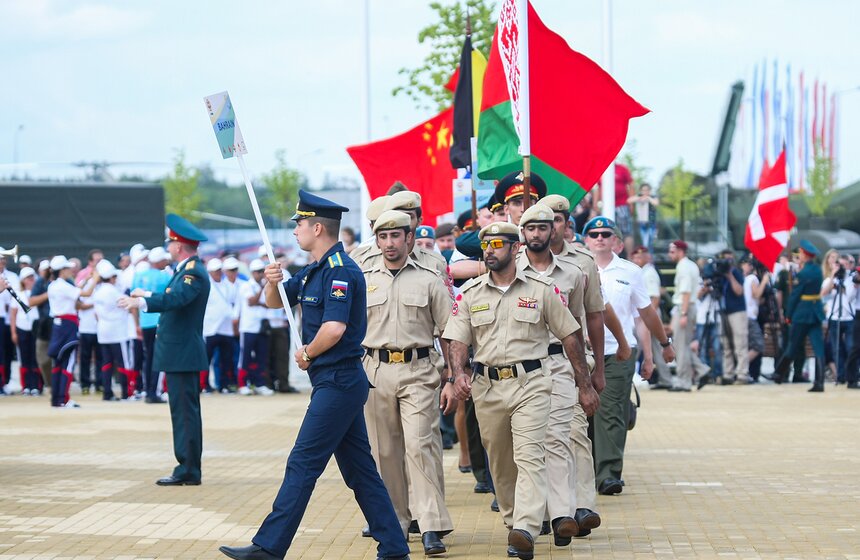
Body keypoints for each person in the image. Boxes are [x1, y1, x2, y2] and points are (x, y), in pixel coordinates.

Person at [219, 190, 410, 560]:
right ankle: (394, 546)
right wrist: (272, 281)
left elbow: (335, 329)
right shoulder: (314, 271)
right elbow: (277, 303)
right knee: (360, 472)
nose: (295, 231)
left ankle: (268, 547)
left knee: (303, 463)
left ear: (318, 227)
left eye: (300, 224)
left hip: (338, 380)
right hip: (334, 382)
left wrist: (306, 352)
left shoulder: (340, 271)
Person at [443, 221, 596, 560]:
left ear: (515, 248)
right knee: (499, 457)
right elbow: (457, 339)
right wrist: (457, 375)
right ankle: (515, 520)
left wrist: (584, 384)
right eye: (486, 245)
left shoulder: (542, 289)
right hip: (487, 387)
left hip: (532, 383)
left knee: (530, 454)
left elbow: (570, 335)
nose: (490, 250)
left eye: (498, 244)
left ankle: (526, 527)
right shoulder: (471, 293)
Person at [362, 210, 455, 555]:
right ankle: (395, 522)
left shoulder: (429, 278)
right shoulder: (363, 276)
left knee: (420, 445)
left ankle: (431, 524)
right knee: (384, 451)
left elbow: (449, 331)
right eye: (383, 237)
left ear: (409, 238)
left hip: (419, 370)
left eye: (396, 236)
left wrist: (452, 376)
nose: (389, 244)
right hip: (374, 370)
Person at [582, 217, 674, 495]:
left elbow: (644, 315)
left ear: (616, 242)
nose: (599, 238)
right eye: (593, 234)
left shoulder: (631, 272)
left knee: (610, 411)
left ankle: (608, 473)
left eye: (605, 234)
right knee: (583, 413)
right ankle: (586, 470)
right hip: (581, 352)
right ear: (585, 240)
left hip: (618, 352)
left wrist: (659, 348)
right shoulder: (574, 268)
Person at [119, 214, 211, 484]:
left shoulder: (192, 271)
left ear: (179, 246)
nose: (169, 248)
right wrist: (145, 296)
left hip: (182, 353)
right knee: (182, 412)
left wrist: (142, 303)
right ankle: (187, 467)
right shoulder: (188, 269)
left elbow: (178, 298)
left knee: (184, 414)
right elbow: (174, 297)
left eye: (171, 244)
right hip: (180, 353)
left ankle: (188, 469)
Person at [516, 204, 587, 547]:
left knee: (557, 437)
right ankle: (534, 514)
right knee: (526, 447)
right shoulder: (510, 270)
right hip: (522, 367)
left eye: (544, 227)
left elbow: (576, 329)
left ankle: (562, 515)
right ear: (522, 233)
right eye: (530, 228)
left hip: (558, 363)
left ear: (554, 230)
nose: (538, 234)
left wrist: (584, 377)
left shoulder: (573, 273)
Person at [774, 241, 826, 392]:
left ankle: (779, 374)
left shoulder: (803, 273)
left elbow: (795, 296)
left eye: (801, 253)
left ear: (805, 255)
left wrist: (788, 315)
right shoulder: (817, 270)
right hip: (815, 311)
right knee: (818, 347)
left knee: (792, 345)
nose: (799, 256)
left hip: (802, 313)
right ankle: (820, 382)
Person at [47, 255, 98, 407]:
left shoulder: (54, 285)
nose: (71, 270)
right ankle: (64, 399)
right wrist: (96, 278)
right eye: (68, 268)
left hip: (58, 325)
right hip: (67, 325)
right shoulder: (62, 285)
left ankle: (57, 399)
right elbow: (86, 294)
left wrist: (88, 279)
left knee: (58, 362)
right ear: (62, 270)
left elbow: (75, 292)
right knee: (68, 363)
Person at [667, 240, 710, 391]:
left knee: (680, 346)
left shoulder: (684, 267)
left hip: (684, 307)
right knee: (683, 345)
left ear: (680, 251)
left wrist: (683, 313)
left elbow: (685, 292)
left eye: (672, 251)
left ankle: (683, 381)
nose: (669, 254)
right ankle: (702, 370)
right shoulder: (691, 265)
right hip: (689, 306)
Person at [134, 246, 173, 401]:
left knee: (148, 357)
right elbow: (170, 297)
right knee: (159, 357)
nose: (166, 261)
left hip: (145, 322)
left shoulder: (138, 276)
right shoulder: (165, 276)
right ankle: (154, 392)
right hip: (159, 321)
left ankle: (148, 390)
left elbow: (134, 298)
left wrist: (137, 321)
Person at [92, 260, 132, 401]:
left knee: (107, 362)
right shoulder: (113, 291)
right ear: (111, 277)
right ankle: (127, 393)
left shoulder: (97, 291)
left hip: (103, 330)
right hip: (117, 330)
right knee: (123, 362)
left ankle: (107, 392)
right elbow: (126, 303)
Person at [237, 259, 274, 396]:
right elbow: (251, 301)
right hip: (248, 327)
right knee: (245, 356)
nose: (261, 274)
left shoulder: (266, 286)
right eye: (258, 272)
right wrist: (261, 292)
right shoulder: (246, 286)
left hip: (262, 326)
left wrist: (259, 300)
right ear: (253, 272)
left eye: (262, 271)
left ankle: (259, 383)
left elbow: (269, 304)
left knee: (262, 356)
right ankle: (242, 384)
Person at [715, 250, 749, 384]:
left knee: (740, 343)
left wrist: (730, 276)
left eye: (729, 260)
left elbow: (739, 291)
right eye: (724, 260)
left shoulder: (736, 273)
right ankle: (728, 373)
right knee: (726, 344)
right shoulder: (720, 274)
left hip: (737, 311)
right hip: (724, 311)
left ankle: (742, 374)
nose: (727, 263)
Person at [821, 254, 855, 384]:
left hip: (849, 316)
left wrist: (843, 283)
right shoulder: (831, 279)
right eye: (838, 265)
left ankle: (852, 375)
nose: (841, 268)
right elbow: (823, 294)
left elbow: (851, 295)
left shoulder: (851, 279)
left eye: (844, 265)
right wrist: (833, 276)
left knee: (850, 347)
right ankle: (840, 376)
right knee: (837, 348)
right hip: (834, 317)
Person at [9, 267, 41, 395]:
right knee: (24, 357)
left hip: (35, 329)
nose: (31, 280)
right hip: (22, 328)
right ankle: (26, 386)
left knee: (35, 357)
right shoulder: (18, 294)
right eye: (28, 278)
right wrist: (13, 332)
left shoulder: (37, 293)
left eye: (32, 277)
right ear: (23, 280)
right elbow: (13, 314)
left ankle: (35, 385)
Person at [627, 184, 659, 251]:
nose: (645, 192)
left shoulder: (653, 197)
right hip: (642, 223)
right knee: (644, 242)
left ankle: (649, 259)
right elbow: (629, 200)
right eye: (643, 190)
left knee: (650, 242)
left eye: (647, 190)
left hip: (651, 223)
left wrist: (648, 198)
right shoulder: (639, 197)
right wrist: (639, 198)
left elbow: (656, 203)